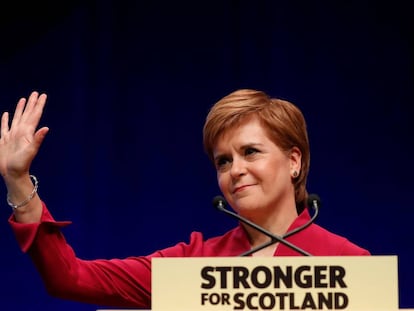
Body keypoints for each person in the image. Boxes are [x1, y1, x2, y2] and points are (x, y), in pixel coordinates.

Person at [1, 89, 370, 308]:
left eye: (251, 152)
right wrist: (18, 181)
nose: (235, 170)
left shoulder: (351, 264)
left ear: (294, 161)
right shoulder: (194, 264)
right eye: (223, 161)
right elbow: (72, 278)